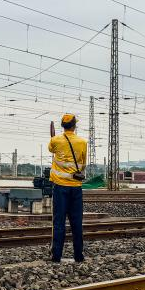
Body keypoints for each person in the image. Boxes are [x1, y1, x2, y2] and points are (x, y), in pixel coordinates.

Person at [48, 113, 88, 263]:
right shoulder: (82, 142)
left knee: (58, 222)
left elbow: (51, 149)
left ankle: (56, 255)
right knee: (77, 222)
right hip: (76, 187)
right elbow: (83, 164)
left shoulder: (55, 140)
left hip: (59, 187)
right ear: (74, 125)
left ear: (62, 126)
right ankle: (79, 255)